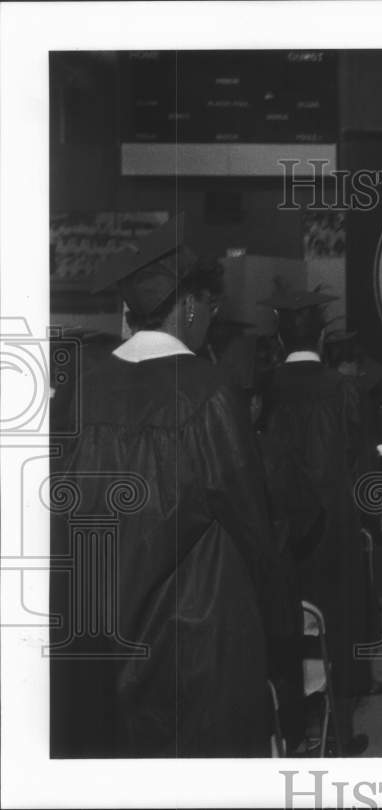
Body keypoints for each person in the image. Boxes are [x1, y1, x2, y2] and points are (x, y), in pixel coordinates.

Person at [50, 214, 293, 757]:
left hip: (92, 643)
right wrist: (279, 630)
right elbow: (250, 524)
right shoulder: (207, 392)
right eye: (208, 308)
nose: (209, 319)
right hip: (192, 645)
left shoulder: (81, 387)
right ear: (187, 306)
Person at [258, 290, 382, 756]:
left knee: (285, 629)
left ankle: (292, 731)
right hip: (335, 531)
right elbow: (362, 467)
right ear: (320, 335)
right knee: (339, 625)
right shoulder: (343, 390)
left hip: (279, 535)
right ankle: (338, 731)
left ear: (279, 336)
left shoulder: (264, 387)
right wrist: (373, 519)